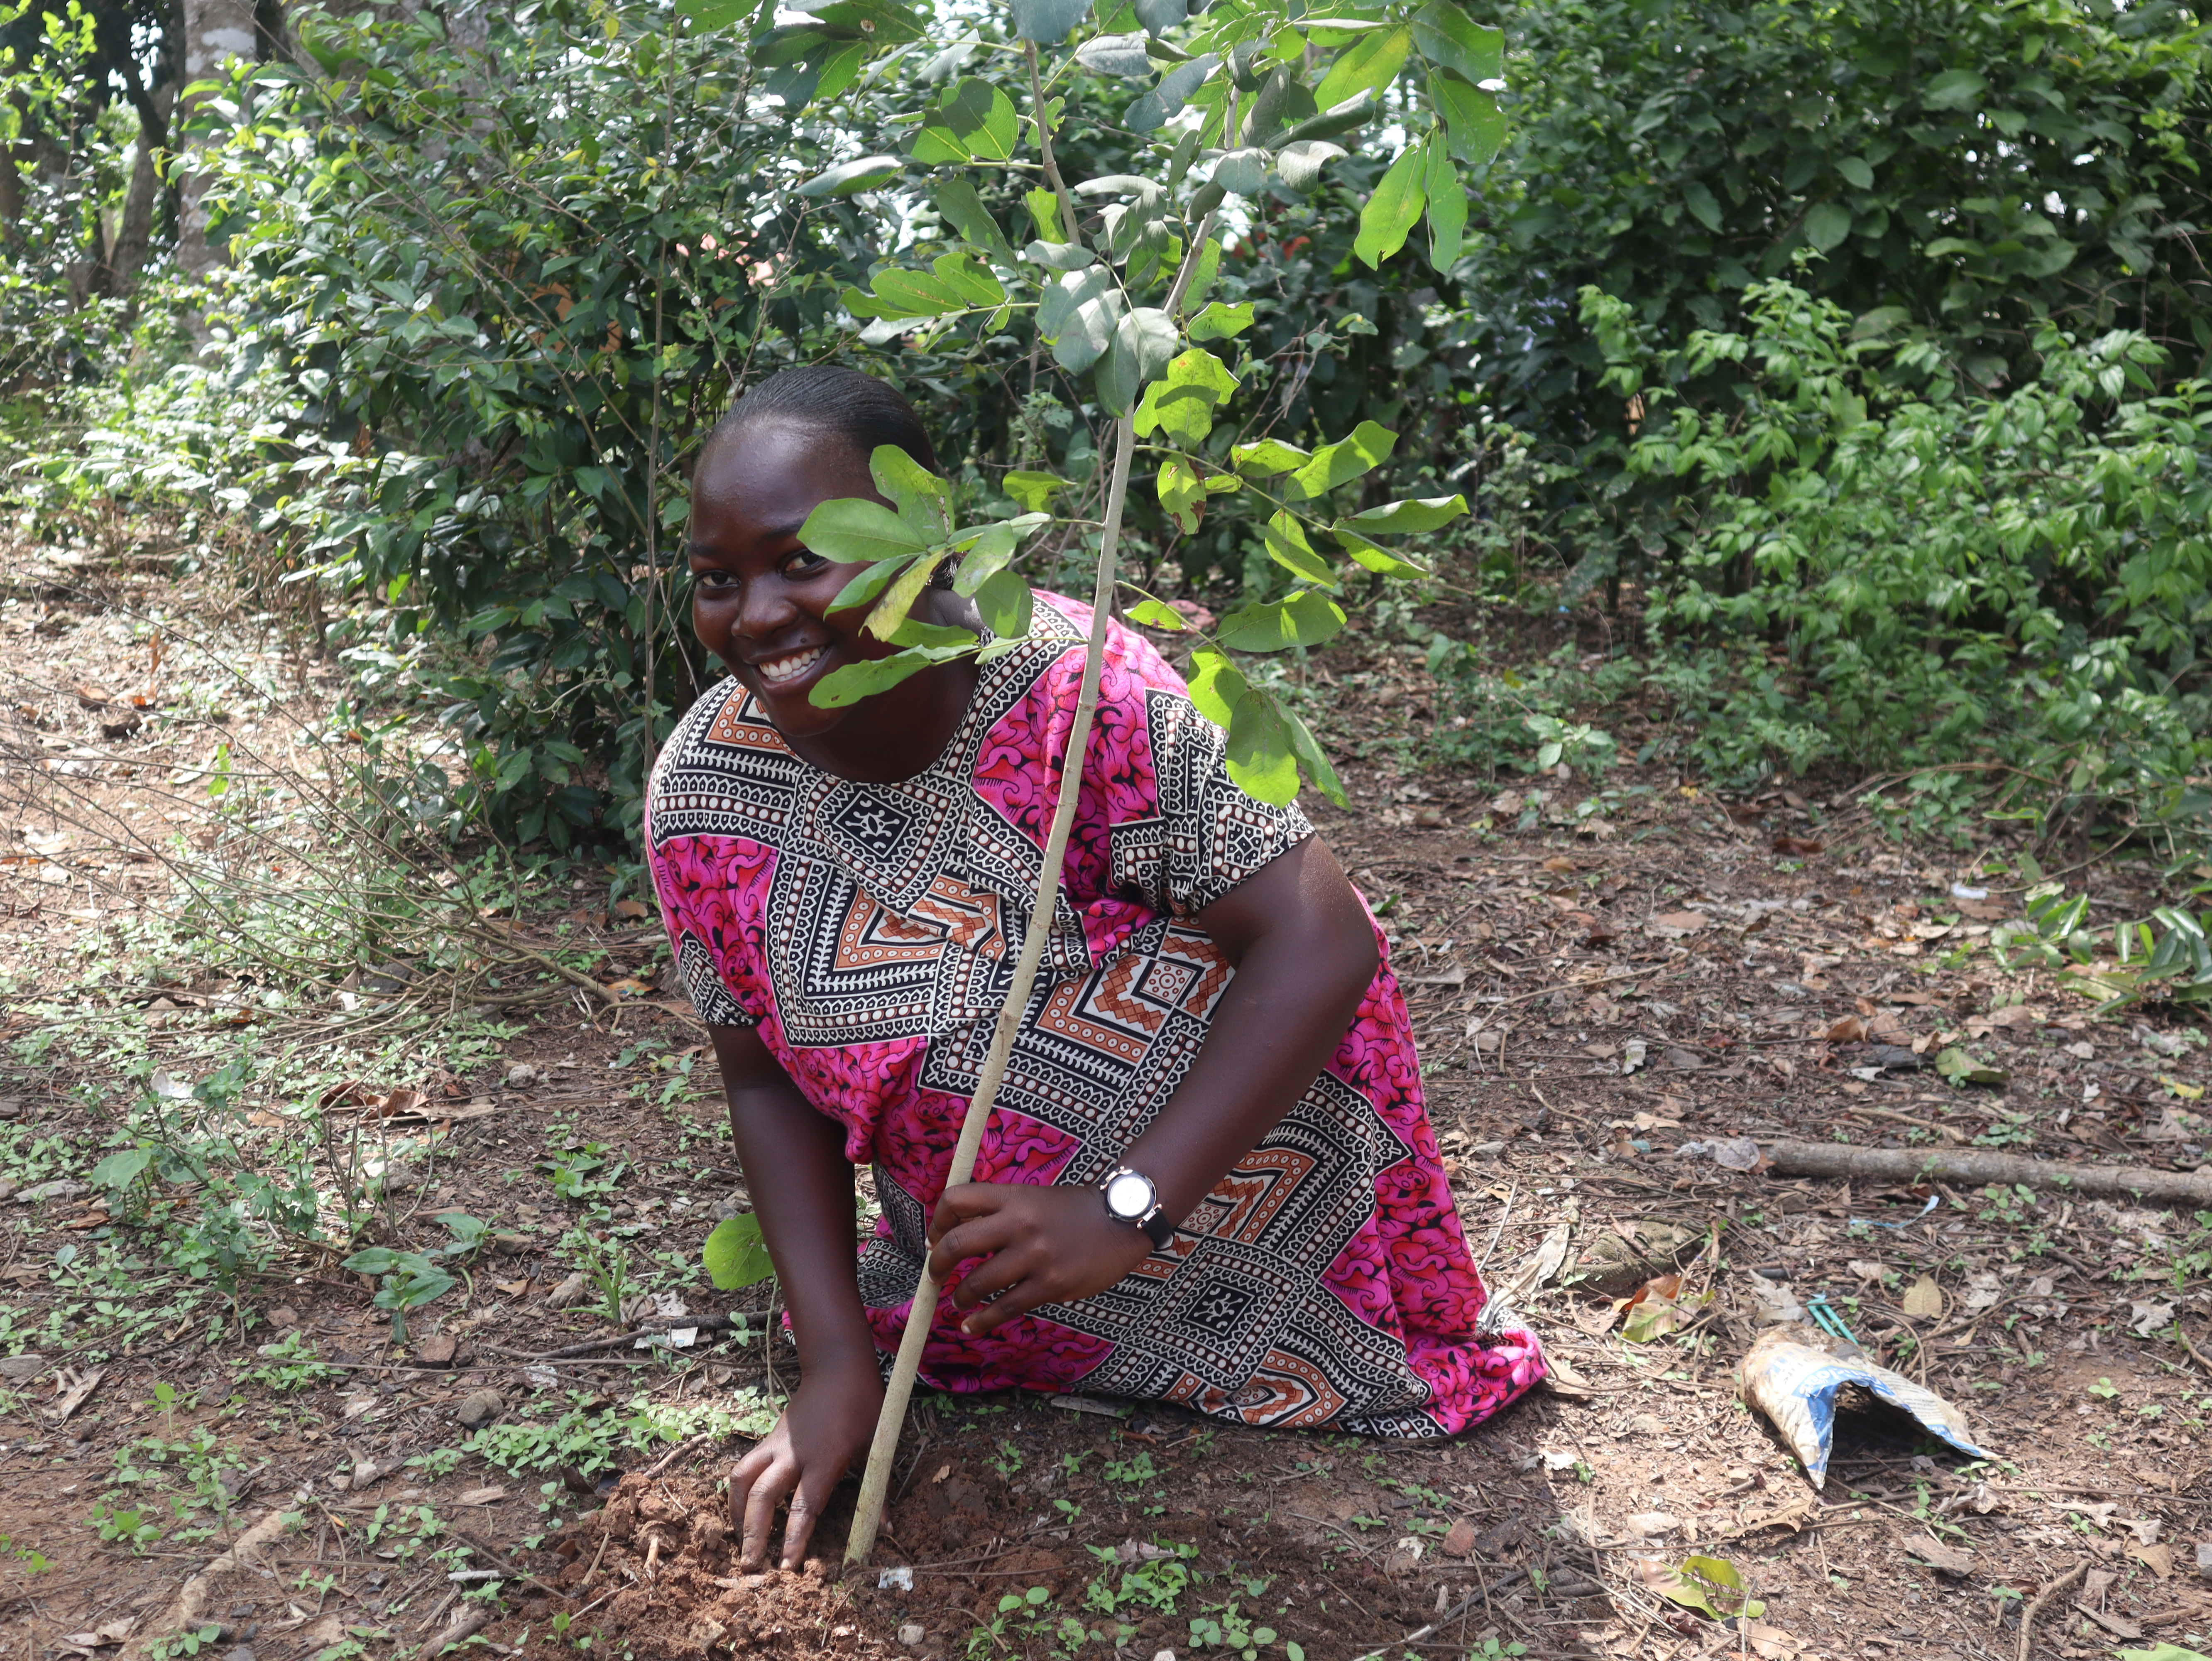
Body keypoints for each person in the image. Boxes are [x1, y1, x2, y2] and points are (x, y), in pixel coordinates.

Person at [644, 365, 1544, 1573]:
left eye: (804, 561)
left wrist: (1126, 1207)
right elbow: (762, 1080)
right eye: (719, 579)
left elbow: (1323, 937)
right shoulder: (707, 798)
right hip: (993, 1301)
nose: (756, 615)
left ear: (929, 542)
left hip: (1271, 1270)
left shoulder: (1081, 697)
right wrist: (839, 1365)